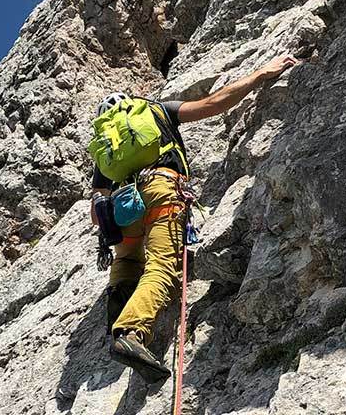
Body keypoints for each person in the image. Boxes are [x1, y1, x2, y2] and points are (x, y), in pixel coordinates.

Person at [90, 54, 299, 383]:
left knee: (128, 257)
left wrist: (109, 225)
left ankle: (117, 312)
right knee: (162, 265)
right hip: (162, 188)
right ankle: (129, 332)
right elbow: (213, 103)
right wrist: (260, 74)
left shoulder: (107, 149)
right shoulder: (157, 111)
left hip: (124, 207)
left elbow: (95, 206)